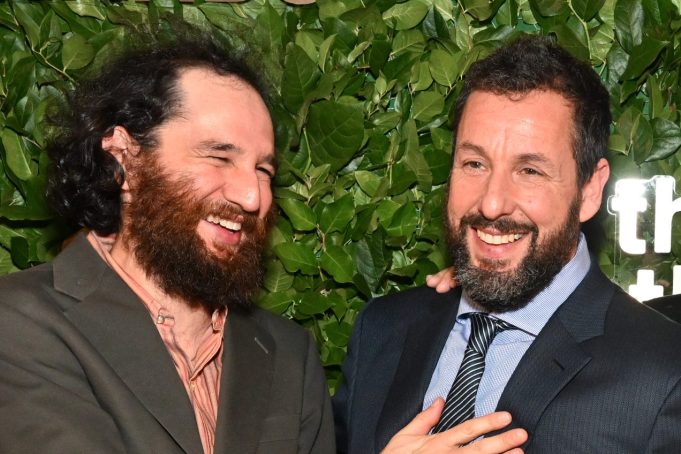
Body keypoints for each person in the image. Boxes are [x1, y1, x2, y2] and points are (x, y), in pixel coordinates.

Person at [0, 29, 527, 454]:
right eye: (219, 156)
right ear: (124, 159)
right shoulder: (20, 324)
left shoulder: (286, 354)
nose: (252, 195)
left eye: (264, 169)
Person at [334, 36, 681, 453]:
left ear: (590, 190)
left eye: (530, 170)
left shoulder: (663, 375)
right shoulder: (383, 329)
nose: (492, 202)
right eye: (474, 163)